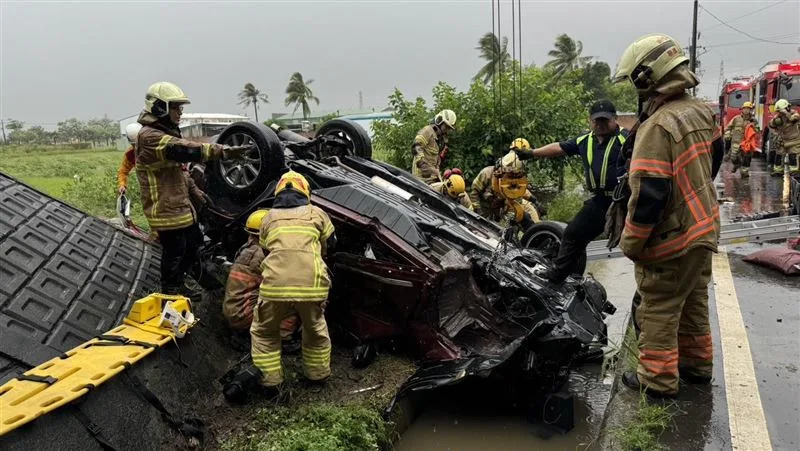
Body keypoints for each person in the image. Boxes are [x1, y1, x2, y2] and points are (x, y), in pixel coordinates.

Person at [613, 34, 720, 398]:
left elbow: (650, 195)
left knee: (658, 305)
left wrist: (631, 241)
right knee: (693, 299)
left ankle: (657, 381)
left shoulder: (657, 127)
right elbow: (714, 160)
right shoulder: (701, 111)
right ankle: (697, 367)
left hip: (672, 238)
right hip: (703, 228)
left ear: (646, 77)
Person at [135, 81, 250, 295]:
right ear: (160, 107)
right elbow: (186, 150)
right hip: (165, 209)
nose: (180, 112)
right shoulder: (150, 137)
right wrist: (223, 151)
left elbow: (180, 171)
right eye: (176, 107)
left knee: (193, 245)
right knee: (175, 251)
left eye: (181, 107)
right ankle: (170, 290)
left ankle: (180, 282)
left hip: (180, 206)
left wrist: (196, 193)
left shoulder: (166, 132)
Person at [516, 101, 629, 283]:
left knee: (636, 244)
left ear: (615, 119)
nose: (601, 124)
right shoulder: (584, 140)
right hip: (600, 202)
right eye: (597, 120)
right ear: (590, 121)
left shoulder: (627, 139)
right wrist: (531, 153)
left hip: (625, 201)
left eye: (605, 120)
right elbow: (559, 148)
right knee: (573, 234)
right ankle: (560, 277)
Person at [250, 171, 336, 393]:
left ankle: (271, 384)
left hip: (274, 285)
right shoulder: (318, 214)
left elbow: (265, 250)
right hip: (312, 285)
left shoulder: (268, 218)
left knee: (265, 331)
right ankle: (316, 378)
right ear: (305, 191)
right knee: (315, 328)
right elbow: (331, 245)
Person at [223, 209, 299, 339]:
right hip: (243, 315)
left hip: (235, 311)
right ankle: (280, 339)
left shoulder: (250, 247)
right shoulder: (261, 255)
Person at [470, 138, 532, 216]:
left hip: (498, 216)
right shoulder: (486, 173)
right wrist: (478, 211)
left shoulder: (516, 180)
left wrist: (509, 219)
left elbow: (515, 201)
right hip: (478, 212)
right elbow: (474, 192)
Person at [412, 110, 457, 183]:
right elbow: (416, 146)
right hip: (422, 179)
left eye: (449, 128)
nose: (447, 130)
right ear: (439, 121)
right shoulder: (427, 131)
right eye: (446, 127)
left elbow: (434, 157)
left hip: (434, 178)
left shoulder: (439, 138)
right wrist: (423, 166)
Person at [724, 101, 759, 176]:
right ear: (742, 109)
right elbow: (728, 128)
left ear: (751, 110)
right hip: (736, 142)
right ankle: (737, 165)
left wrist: (753, 126)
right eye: (745, 108)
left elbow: (758, 130)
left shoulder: (754, 120)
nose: (746, 110)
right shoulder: (736, 119)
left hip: (747, 143)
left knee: (747, 157)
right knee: (733, 158)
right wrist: (727, 134)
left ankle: (744, 172)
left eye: (748, 109)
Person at [769, 98, 800, 175]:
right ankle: (778, 171)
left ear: (787, 108)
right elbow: (771, 125)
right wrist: (774, 120)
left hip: (794, 140)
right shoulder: (778, 117)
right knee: (779, 155)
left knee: (793, 156)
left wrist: (786, 113)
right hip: (782, 140)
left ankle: (794, 171)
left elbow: (793, 119)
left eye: (781, 111)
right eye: (779, 111)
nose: (780, 113)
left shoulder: (794, 114)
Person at [118, 123, 142, 195]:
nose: (136, 147)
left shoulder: (156, 149)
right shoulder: (130, 154)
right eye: (133, 145)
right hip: (145, 188)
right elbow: (123, 172)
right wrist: (122, 185)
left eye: (138, 144)